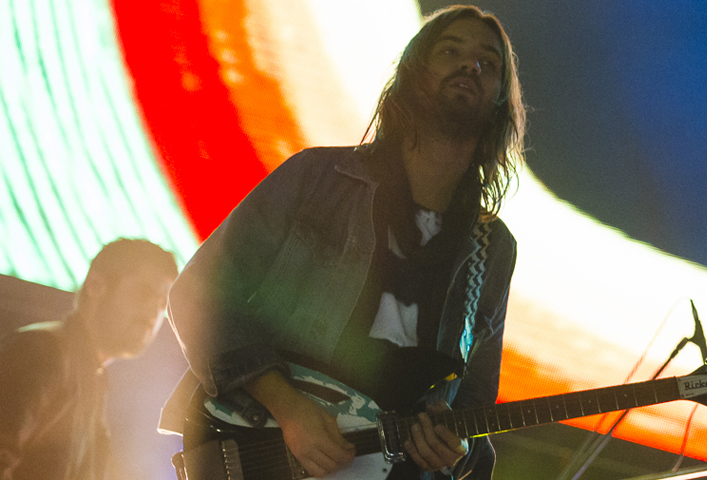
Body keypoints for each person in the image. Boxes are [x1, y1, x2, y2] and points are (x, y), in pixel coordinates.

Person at [163, 5, 526, 479]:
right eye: (450, 51)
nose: (470, 65)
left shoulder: (492, 248)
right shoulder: (317, 177)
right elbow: (198, 295)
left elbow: (474, 403)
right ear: (414, 74)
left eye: (488, 62)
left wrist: (456, 448)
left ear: (499, 98)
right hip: (262, 445)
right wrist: (289, 409)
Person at [0, 238, 179, 480]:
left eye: (161, 305)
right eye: (143, 293)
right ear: (96, 285)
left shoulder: (92, 377)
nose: (152, 315)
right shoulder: (40, 351)